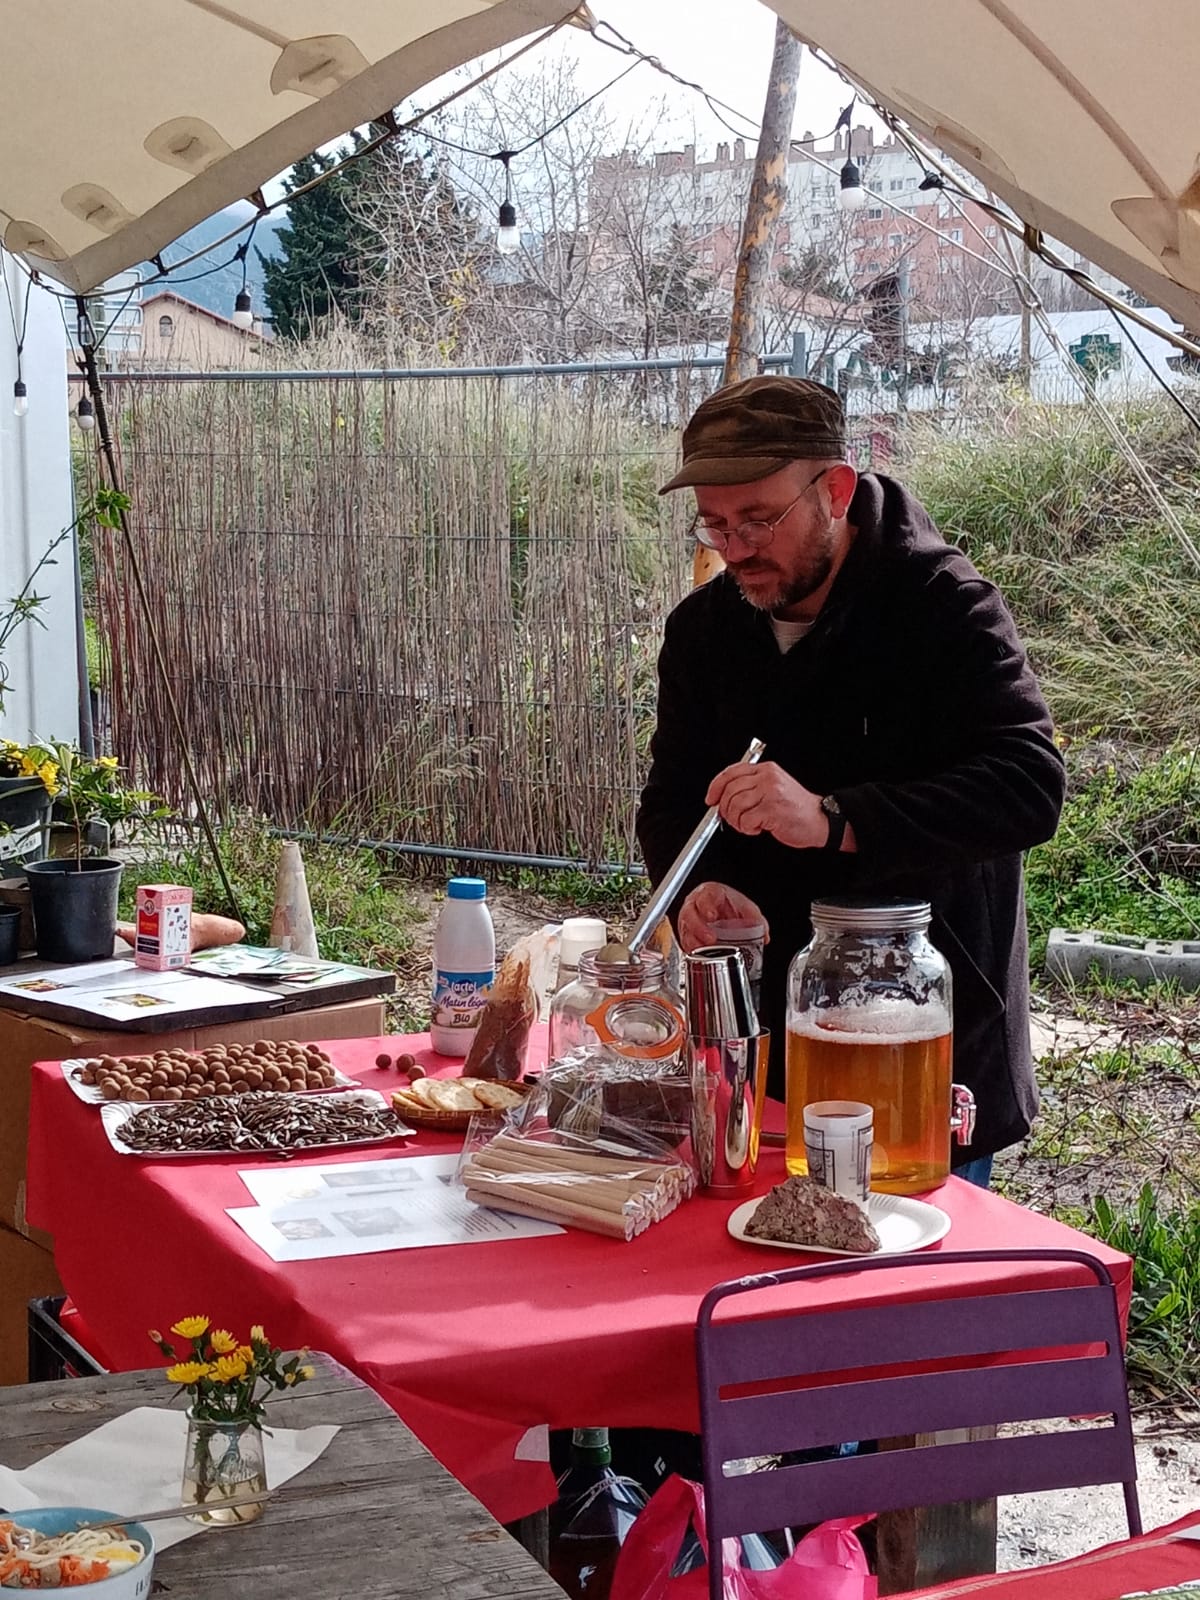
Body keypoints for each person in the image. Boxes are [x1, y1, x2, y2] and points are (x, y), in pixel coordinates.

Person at [636, 376, 1066, 1184]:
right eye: (715, 524)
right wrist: (696, 887)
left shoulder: (942, 605)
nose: (736, 549)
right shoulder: (703, 630)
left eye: (758, 520)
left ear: (834, 489)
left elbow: (1029, 785)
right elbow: (671, 800)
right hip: (764, 1037)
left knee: (910, 1261)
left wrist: (836, 819)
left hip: (918, 1030)